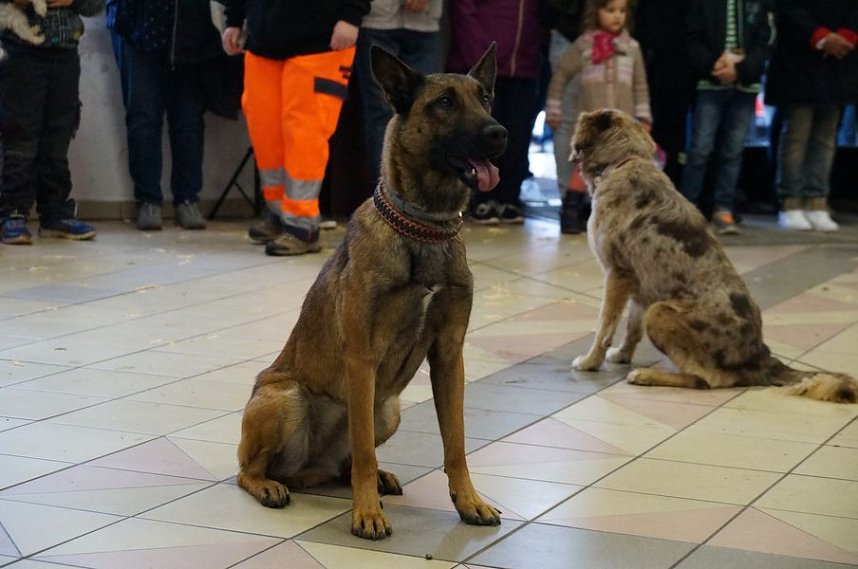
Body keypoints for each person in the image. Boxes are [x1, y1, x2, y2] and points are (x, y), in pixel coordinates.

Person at [223, 0, 369, 256]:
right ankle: (280, 215)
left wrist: (352, 16)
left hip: (320, 43)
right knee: (266, 134)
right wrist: (233, 20)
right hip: (262, 42)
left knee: (305, 137)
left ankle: (303, 225)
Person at [109, 0, 225, 232]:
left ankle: (187, 200)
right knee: (143, 117)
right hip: (135, 27)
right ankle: (148, 201)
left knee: (188, 119)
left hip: (189, 31)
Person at [0, 0, 104, 245]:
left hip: (65, 52)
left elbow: (95, 5)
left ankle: (55, 212)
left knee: (58, 135)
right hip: (20, 50)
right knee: (20, 133)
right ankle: (13, 212)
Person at [545, 0, 652, 232]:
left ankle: (612, 216)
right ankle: (570, 211)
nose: (617, 16)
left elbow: (640, 85)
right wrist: (554, 109)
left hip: (622, 127)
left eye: (622, 11)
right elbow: (561, 76)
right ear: (596, 12)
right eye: (610, 10)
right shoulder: (584, 45)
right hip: (593, 125)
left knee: (619, 170)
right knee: (583, 166)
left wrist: (643, 117)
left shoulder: (631, 47)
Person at [679, 0, 774, 235]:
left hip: (745, 86)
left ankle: (723, 209)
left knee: (733, 152)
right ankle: (686, 211)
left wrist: (741, 70)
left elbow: (767, 37)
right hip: (710, 83)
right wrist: (713, 65)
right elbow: (692, 36)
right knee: (700, 148)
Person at [446, 0, 543, 225]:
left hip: (523, 65)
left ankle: (509, 197)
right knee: (481, 134)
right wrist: (482, 60)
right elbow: (464, 10)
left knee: (518, 134)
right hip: (481, 68)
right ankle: (481, 196)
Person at [765, 0, 857, 232]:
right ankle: (791, 202)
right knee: (796, 135)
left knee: (826, 138)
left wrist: (846, 35)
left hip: (840, 61)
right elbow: (787, 7)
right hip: (798, 59)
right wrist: (821, 36)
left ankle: (817, 201)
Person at [355, 0, 443, 185]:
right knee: (381, 114)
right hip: (376, 18)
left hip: (426, 22)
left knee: (433, 112)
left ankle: (423, 199)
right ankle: (387, 197)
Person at [542, 0, 585, 233]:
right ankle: (568, 198)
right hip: (568, 32)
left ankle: (584, 199)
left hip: (606, 35)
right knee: (567, 122)